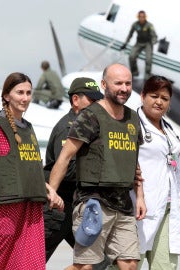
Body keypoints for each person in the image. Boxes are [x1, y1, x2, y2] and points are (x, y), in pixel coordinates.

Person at [48, 63, 147, 270]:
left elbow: (133, 162)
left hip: (123, 204)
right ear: (104, 85)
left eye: (128, 83)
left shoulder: (133, 119)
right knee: (86, 266)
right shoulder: (90, 116)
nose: (124, 88)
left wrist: (140, 197)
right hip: (94, 202)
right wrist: (52, 191)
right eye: (118, 83)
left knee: (129, 264)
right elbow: (65, 157)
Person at [0, 72, 63, 270]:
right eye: (19, 92)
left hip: (31, 208)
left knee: (30, 265)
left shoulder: (28, 128)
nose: (25, 98)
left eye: (28, 93)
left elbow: (27, 169)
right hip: (4, 209)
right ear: (7, 95)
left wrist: (49, 190)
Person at [133, 75, 180, 269]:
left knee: (166, 266)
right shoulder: (131, 125)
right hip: (137, 210)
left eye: (164, 98)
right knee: (127, 265)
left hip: (168, 210)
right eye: (154, 96)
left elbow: (177, 175)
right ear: (143, 96)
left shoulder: (170, 131)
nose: (159, 102)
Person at [43, 77, 110, 269]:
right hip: (58, 208)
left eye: (98, 100)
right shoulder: (68, 128)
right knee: (34, 261)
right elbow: (68, 169)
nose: (97, 105)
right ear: (75, 100)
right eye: (92, 100)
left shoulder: (90, 127)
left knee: (96, 261)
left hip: (78, 207)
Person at [120, 10, 157, 80]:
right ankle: (134, 72)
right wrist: (125, 44)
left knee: (148, 60)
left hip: (148, 43)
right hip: (139, 43)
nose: (141, 18)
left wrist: (153, 41)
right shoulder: (135, 25)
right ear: (138, 17)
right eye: (140, 17)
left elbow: (154, 36)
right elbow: (130, 35)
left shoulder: (149, 25)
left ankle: (147, 77)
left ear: (145, 17)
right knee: (131, 56)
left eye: (143, 17)